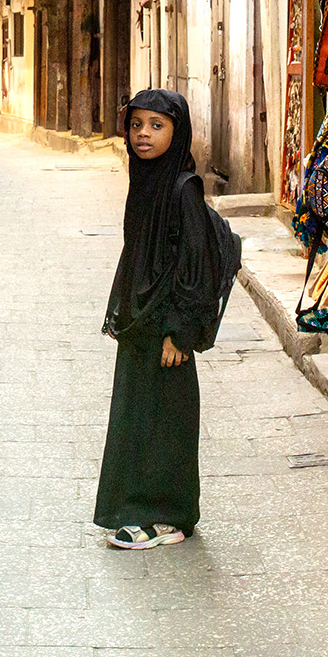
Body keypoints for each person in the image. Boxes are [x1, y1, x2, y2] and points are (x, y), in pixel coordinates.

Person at [94, 89, 241, 549]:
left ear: (177, 133)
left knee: (166, 420)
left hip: (167, 330)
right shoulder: (145, 181)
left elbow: (193, 266)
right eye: (137, 124)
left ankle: (169, 516)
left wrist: (179, 332)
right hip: (142, 324)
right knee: (137, 415)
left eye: (157, 126)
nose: (143, 135)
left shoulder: (183, 189)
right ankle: (136, 505)